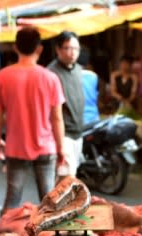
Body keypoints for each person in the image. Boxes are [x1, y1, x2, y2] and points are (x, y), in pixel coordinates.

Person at [0, 26, 65, 214]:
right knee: (48, 202)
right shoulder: (50, 78)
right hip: (46, 146)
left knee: (12, 199)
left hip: (15, 147)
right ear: (39, 49)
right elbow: (57, 118)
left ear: (15, 48)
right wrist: (61, 148)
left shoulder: (3, 76)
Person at [48, 31, 85, 180]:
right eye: (68, 48)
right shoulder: (51, 73)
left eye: (76, 48)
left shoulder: (78, 70)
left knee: (65, 180)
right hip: (63, 134)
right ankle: (58, 204)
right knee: (66, 179)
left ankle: (55, 203)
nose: (72, 52)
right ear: (58, 49)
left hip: (78, 132)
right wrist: (58, 142)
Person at [78, 48, 100, 125]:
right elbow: (96, 97)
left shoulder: (70, 76)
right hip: (93, 118)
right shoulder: (94, 76)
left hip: (78, 120)